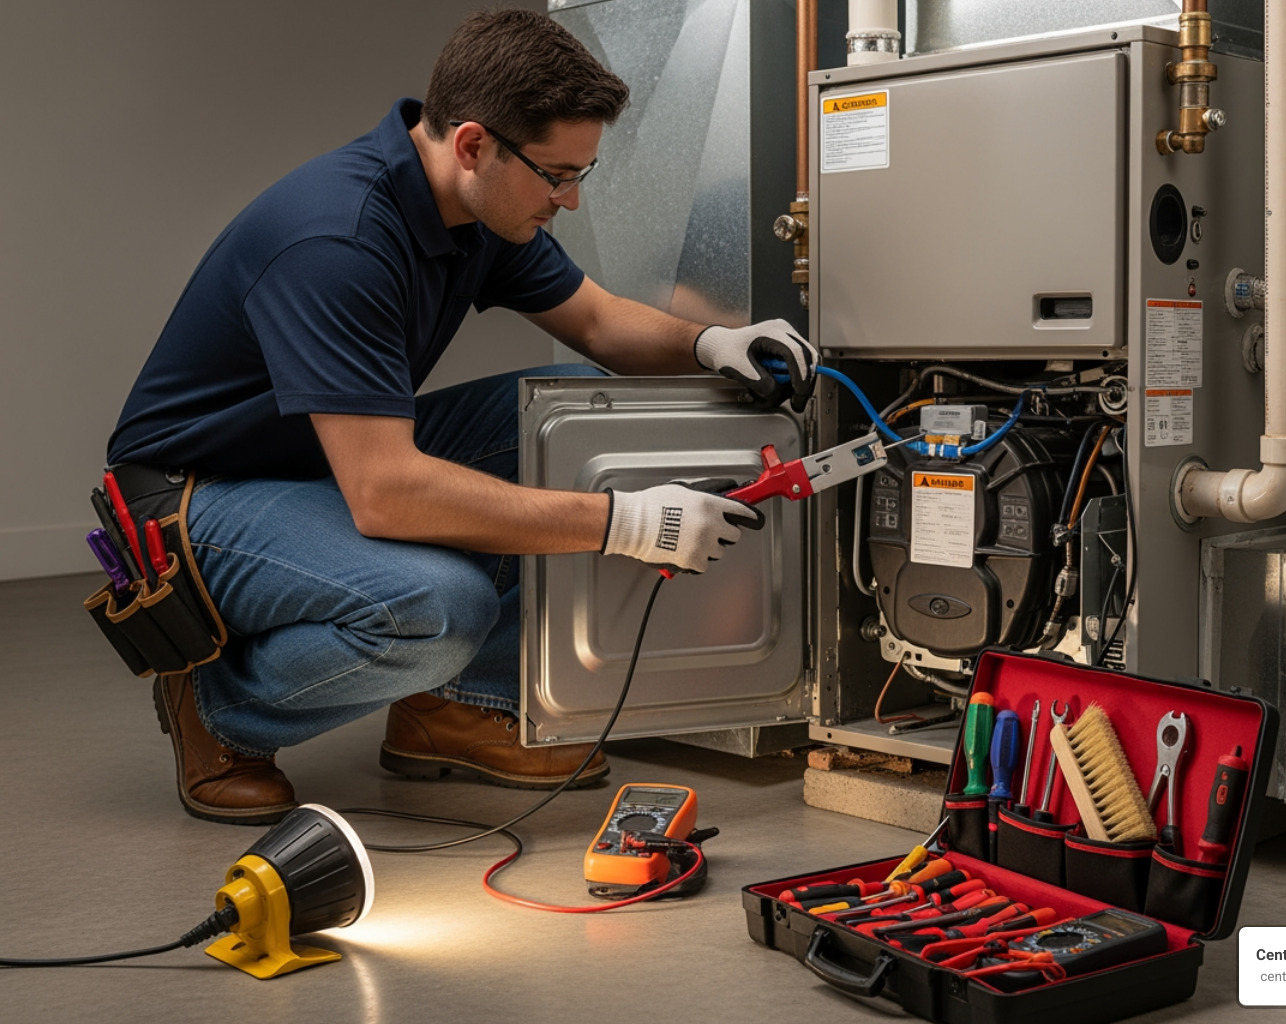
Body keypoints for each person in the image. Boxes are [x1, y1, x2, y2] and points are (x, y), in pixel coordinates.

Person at [105, 9, 817, 825]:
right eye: (557, 175)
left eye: (580, 172)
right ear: (474, 145)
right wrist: (626, 523)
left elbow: (596, 324)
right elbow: (387, 495)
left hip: (319, 455)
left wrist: (711, 342)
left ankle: (450, 708)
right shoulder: (337, 241)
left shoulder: (479, 208)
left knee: (571, 421)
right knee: (439, 608)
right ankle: (221, 706)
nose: (572, 200)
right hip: (193, 498)